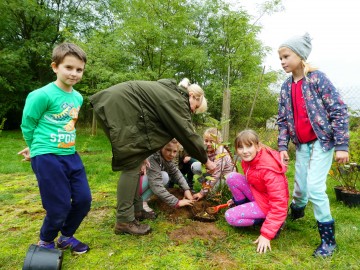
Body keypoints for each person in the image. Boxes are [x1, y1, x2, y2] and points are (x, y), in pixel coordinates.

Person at [89, 78, 216, 236]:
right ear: (191, 96)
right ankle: (124, 220)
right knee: (131, 164)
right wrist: (206, 160)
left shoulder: (171, 94)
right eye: (195, 107)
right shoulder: (177, 100)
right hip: (117, 106)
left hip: (120, 106)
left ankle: (136, 211)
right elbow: (187, 133)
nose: (192, 112)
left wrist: (186, 188)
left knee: (136, 161)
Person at [277, 33, 349, 257]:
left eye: (286, 56)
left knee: (316, 188)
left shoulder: (317, 79)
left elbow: (338, 110)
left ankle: (328, 240)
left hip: (322, 142)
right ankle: (297, 212)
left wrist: (342, 145)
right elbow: (282, 120)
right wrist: (282, 147)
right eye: (280, 58)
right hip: (302, 145)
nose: (282, 61)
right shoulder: (285, 87)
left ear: (300, 55)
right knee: (300, 187)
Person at [18, 43, 92, 254]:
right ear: (55, 67)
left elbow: (68, 124)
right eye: (69, 67)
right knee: (59, 207)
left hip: (71, 155)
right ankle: (46, 241)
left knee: (84, 200)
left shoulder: (77, 98)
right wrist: (34, 149)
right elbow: (28, 124)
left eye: (79, 70)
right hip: (47, 157)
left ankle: (66, 237)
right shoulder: (41, 95)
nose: (74, 73)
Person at [224, 129, 289, 254]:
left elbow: (279, 204)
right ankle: (244, 207)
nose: (245, 151)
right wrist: (236, 199)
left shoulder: (269, 170)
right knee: (232, 177)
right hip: (259, 194)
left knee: (230, 216)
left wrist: (266, 234)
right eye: (240, 147)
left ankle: (267, 222)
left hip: (269, 205)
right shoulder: (249, 159)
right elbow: (253, 181)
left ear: (257, 146)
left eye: (249, 146)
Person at [140, 139, 195, 212]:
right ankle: (139, 202)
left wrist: (186, 189)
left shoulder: (164, 158)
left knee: (164, 176)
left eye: (175, 151)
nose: (172, 154)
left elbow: (176, 172)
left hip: (139, 185)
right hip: (132, 188)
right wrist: (177, 202)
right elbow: (156, 186)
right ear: (161, 147)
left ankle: (141, 200)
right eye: (168, 150)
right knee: (163, 177)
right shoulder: (153, 158)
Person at [193, 127, 235, 200]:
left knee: (210, 196)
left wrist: (201, 193)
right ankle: (205, 185)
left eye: (212, 141)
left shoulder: (221, 154)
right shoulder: (207, 149)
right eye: (206, 141)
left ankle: (218, 190)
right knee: (195, 166)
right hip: (215, 173)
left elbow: (215, 175)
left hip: (224, 178)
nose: (208, 144)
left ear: (218, 142)